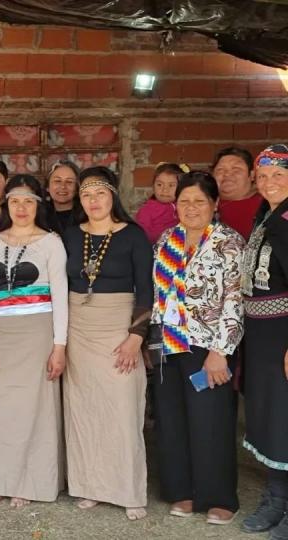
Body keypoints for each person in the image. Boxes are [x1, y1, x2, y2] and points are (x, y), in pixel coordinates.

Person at [151, 171, 244, 525]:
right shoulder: (166, 239)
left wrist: (221, 351)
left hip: (208, 347)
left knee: (211, 421)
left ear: (215, 205)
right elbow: (159, 295)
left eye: (199, 201)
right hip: (168, 343)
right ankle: (182, 491)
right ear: (175, 205)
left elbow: (235, 300)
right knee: (172, 420)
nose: (191, 208)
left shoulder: (228, 242)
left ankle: (219, 497)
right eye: (184, 201)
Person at [0, 174, 69, 508]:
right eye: (15, 200)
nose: (22, 207)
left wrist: (59, 346)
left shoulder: (51, 243)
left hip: (37, 332)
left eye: (29, 201)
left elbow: (60, 296)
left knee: (35, 409)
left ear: (39, 204)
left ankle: (30, 482)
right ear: (6, 203)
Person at [62, 166, 152, 520]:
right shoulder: (69, 235)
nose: (93, 200)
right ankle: (89, 486)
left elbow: (147, 290)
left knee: (122, 410)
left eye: (99, 193)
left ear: (112, 195)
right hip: (78, 330)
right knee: (83, 411)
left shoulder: (133, 236)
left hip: (119, 328)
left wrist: (136, 337)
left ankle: (128, 489)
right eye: (86, 194)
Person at [241, 144, 288, 539]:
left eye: (280, 174)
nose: (270, 182)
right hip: (260, 335)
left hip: (283, 334)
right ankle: (276, 498)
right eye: (265, 175)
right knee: (271, 417)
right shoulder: (266, 215)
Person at [212, 147, 263, 239]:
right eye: (220, 170)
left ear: (251, 175)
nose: (227, 174)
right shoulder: (202, 206)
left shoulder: (267, 205)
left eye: (236, 169)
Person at [135, 163, 186, 243]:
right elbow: (140, 236)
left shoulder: (184, 206)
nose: (165, 190)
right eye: (159, 184)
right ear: (153, 186)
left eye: (171, 185)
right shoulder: (147, 210)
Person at [45, 159, 79, 233]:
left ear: (77, 188)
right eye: (57, 181)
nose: (63, 186)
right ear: (47, 187)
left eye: (69, 182)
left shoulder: (87, 215)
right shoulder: (39, 216)